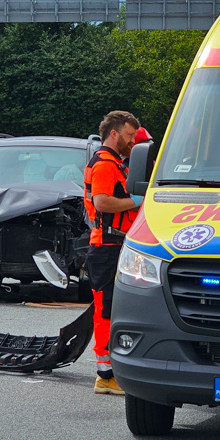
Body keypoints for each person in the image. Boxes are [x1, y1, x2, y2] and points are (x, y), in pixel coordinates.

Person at [83, 110, 141, 395]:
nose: (132, 141)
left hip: (111, 245)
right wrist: (133, 202)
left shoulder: (114, 162)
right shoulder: (106, 164)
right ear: (114, 134)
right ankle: (105, 375)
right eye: (129, 135)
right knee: (105, 312)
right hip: (106, 247)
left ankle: (110, 371)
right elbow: (103, 202)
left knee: (110, 309)